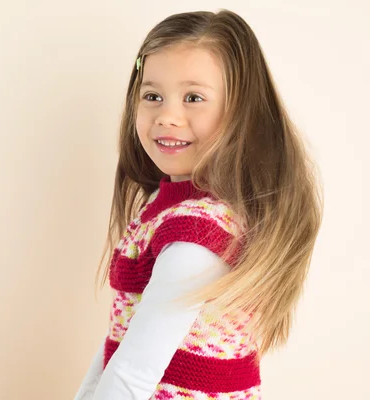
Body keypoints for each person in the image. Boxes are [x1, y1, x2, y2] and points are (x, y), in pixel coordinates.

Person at [73, 9, 323, 400]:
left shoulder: (200, 232)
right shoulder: (165, 207)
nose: (167, 116)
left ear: (241, 112)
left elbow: (134, 372)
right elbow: (117, 351)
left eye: (194, 98)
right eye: (152, 96)